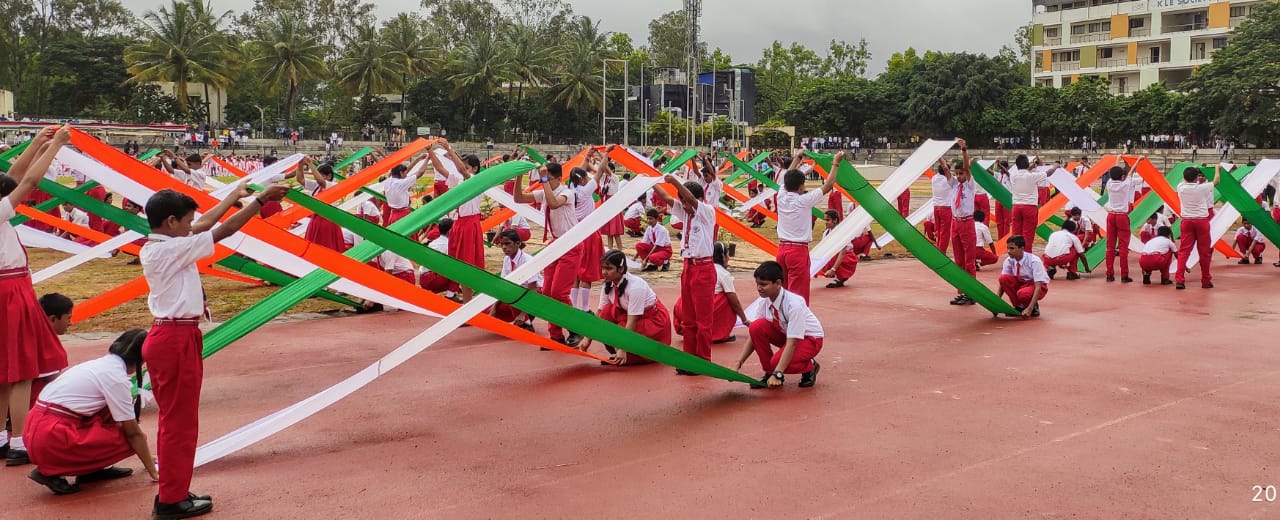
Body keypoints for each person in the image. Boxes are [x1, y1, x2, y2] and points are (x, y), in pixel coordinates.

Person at [140, 174, 289, 518]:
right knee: (179, 424)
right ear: (171, 222)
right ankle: (171, 499)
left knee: (177, 421)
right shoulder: (169, 249)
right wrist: (259, 201)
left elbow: (205, 224)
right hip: (174, 338)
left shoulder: (166, 243)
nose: (191, 225)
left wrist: (233, 196)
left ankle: (174, 489)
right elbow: (223, 231)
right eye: (186, 221)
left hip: (175, 335)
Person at [0, 126, 68, 467]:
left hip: (8, 287)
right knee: (22, 370)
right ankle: (19, 441)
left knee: (3, 370)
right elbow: (26, 183)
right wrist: (55, 146)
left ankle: (1, 437)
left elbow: (12, 178)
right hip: (9, 290)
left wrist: (36, 144)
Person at [24, 329, 158, 496]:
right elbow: (133, 434)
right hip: (52, 436)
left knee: (113, 412)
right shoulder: (116, 378)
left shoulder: (100, 365)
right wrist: (154, 472)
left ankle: (91, 469)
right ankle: (51, 470)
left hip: (36, 427)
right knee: (131, 439)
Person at [652, 172, 717, 369]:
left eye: (686, 202)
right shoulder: (685, 211)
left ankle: (703, 360)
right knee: (688, 318)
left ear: (697, 199)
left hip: (704, 268)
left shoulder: (706, 211)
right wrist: (651, 182)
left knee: (703, 319)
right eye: (682, 202)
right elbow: (666, 197)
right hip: (688, 266)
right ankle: (689, 359)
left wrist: (675, 182)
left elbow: (690, 199)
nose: (684, 206)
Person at [512, 163, 580, 346]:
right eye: (545, 179)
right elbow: (518, 198)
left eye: (549, 179)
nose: (546, 182)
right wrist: (519, 175)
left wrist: (543, 180)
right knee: (549, 292)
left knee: (559, 292)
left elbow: (554, 204)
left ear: (559, 178)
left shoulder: (567, 193)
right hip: (555, 244)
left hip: (571, 244)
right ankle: (556, 335)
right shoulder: (545, 192)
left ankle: (576, 328)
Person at [733, 261, 823, 389]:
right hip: (787, 334)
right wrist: (738, 363)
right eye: (757, 284)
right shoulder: (764, 302)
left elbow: (792, 342)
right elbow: (754, 335)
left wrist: (779, 373)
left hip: (810, 339)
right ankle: (770, 373)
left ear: (778, 283)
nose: (759, 288)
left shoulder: (794, 304)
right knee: (756, 326)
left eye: (764, 284)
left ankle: (810, 366)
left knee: (776, 363)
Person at [578, 250, 671, 366]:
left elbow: (632, 320)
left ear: (621, 269)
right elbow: (600, 313)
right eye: (603, 268)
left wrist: (622, 348)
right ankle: (622, 352)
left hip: (652, 321)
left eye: (609, 268)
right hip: (627, 317)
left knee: (621, 329)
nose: (604, 272)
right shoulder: (608, 284)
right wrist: (587, 338)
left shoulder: (636, 287)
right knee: (606, 313)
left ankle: (632, 355)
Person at [774, 151, 840, 303]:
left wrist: (797, 157)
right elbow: (829, 185)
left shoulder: (781, 195)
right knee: (798, 297)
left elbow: (787, 176)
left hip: (782, 250)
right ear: (801, 186)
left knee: (782, 293)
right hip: (798, 251)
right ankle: (796, 318)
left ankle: (782, 317)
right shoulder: (803, 200)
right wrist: (836, 163)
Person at [429, 140, 484, 303]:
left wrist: (449, 148)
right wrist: (430, 151)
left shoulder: (475, 180)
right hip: (458, 225)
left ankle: (468, 302)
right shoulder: (459, 180)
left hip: (469, 225)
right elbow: (440, 169)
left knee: (467, 265)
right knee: (459, 264)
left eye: (467, 167)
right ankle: (466, 299)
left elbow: (462, 170)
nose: (463, 169)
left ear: (475, 168)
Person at [674, 242, 750, 344]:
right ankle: (716, 334)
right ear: (723, 256)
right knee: (727, 298)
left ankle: (693, 332)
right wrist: (745, 320)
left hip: (683, 307)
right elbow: (734, 302)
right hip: (703, 309)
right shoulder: (722, 273)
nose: (729, 258)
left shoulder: (697, 267)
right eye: (727, 255)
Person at [942, 141, 977, 304]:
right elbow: (946, 170)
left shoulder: (969, 185)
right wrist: (938, 156)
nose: (958, 176)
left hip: (967, 223)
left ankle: (972, 293)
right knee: (959, 260)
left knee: (969, 260)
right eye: (957, 174)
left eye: (961, 173)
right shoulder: (955, 185)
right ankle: (962, 291)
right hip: (955, 223)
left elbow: (967, 168)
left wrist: (963, 150)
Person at [1175, 165, 1221, 289]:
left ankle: (1179, 279)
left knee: (1184, 251)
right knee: (1204, 252)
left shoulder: (1180, 187)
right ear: (1196, 178)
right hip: (1201, 221)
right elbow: (1216, 181)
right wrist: (1217, 168)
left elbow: (1184, 180)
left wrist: (1192, 169)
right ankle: (1205, 280)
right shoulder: (1202, 188)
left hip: (1186, 221)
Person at [487, 230, 539, 331]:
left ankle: (527, 322)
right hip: (516, 293)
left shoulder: (527, 261)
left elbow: (533, 289)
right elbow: (504, 285)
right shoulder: (507, 259)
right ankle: (521, 318)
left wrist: (522, 314)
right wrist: (494, 307)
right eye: (502, 244)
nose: (504, 247)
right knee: (486, 309)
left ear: (518, 243)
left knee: (513, 295)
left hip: (532, 294)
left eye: (507, 244)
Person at [295, 157, 347, 252]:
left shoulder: (332, 185)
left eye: (320, 175)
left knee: (327, 247)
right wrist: (300, 164)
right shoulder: (317, 186)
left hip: (328, 221)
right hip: (316, 220)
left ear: (329, 176)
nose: (317, 177)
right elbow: (300, 179)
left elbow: (321, 181)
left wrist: (310, 164)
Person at [30, 293, 72, 408]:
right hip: (36, 406)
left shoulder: (32, 336)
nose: (70, 323)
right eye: (68, 318)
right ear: (53, 319)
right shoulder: (45, 345)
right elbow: (56, 381)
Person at [1103, 161, 1140, 283]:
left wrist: (1118, 159)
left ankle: (1109, 274)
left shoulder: (1109, 184)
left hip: (1110, 216)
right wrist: (1138, 160)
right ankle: (1124, 275)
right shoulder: (1125, 185)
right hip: (1122, 217)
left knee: (1110, 247)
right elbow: (1131, 172)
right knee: (1123, 247)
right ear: (1122, 176)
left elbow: (1115, 171)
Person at [997, 235, 1049, 318]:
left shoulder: (1034, 261)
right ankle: (1019, 307)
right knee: (1003, 278)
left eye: (1012, 248)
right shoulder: (1009, 261)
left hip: (1035, 286)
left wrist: (1030, 308)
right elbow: (1002, 283)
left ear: (1022, 248)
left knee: (1023, 294)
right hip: (1021, 284)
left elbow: (1038, 286)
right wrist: (996, 302)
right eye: (1008, 248)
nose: (1009, 251)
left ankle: (1033, 307)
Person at [1009, 156, 1047, 249]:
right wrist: (1055, 166)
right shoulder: (1031, 176)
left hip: (1016, 207)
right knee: (1028, 235)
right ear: (1027, 164)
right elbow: (1048, 173)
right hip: (1029, 207)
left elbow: (1023, 174)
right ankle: (1026, 255)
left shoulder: (1013, 175)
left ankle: (1015, 254)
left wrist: (1030, 167)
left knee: (1016, 234)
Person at [417, 218, 459, 300]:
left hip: (423, 278)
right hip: (433, 279)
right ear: (450, 231)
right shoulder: (448, 245)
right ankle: (450, 295)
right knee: (459, 267)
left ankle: (451, 291)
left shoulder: (434, 242)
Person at [381, 155, 429, 226]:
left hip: (393, 214)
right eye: (405, 173)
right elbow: (420, 173)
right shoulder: (400, 183)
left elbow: (407, 170)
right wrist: (427, 159)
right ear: (401, 173)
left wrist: (418, 159)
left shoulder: (388, 181)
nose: (406, 175)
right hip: (403, 214)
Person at [818, 210, 861, 288]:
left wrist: (833, 269)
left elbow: (842, 253)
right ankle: (836, 275)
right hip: (835, 255)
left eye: (828, 220)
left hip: (847, 258)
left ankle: (839, 277)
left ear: (835, 220)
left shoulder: (842, 232)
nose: (825, 222)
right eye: (825, 220)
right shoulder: (826, 233)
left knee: (832, 256)